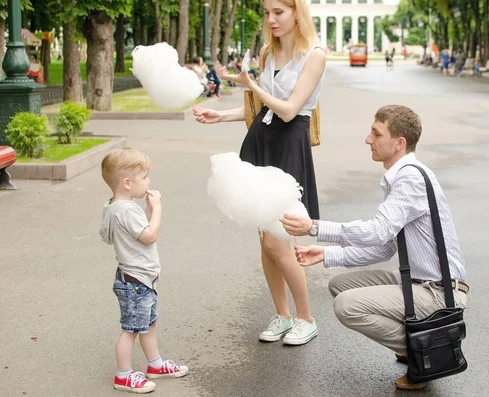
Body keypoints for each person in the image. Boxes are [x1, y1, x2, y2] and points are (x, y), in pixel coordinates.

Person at [280, 105, 469, 390]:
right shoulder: (405, 175)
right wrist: (328, 254)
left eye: (376, 133)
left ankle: (425, 351)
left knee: (346, 306)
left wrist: (315, 228)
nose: (368, 139)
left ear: (399, 143)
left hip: (440, 293)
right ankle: (413, 345)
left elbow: (378, 231)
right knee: (341, 285)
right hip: (420, 282)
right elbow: (385, 247)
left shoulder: (410, 178)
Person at [192, 0, 326, 346]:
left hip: (288, 143)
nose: (271, 19)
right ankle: (282, 315)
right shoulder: (268, 52)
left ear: (297, 11)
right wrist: (220, 115)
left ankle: (306, 318)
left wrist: (250, 84)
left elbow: (288, 109)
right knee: (266, 242)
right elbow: (260, 108)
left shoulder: (314, 54)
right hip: (262, 142)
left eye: (278, 12)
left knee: (279, 241)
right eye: (267, 13)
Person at [99, 147, 189, 394]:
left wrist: (148, 213)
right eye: (145, 177)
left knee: (148, 324)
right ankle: (124, 376)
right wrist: (157, 208)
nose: (148, 182)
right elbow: (149, 236)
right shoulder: (128, 209)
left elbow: (109, 236)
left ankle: (155, 364)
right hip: (136, 280)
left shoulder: (112, 207)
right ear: (127, 183)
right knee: (130, 330)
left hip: (135, 279)